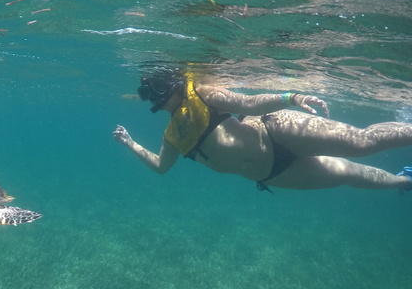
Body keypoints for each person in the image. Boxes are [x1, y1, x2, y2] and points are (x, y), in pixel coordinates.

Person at [113, 68, 412, 192]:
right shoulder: (172, 136)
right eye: (152, 93)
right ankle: (404, 181)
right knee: (350, 173)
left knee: (362, 142)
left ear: (175, 82)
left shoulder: (201, 92)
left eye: (162, 86)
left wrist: (290, 97)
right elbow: (161, 167)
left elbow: (249, 103)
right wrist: (130, 143)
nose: (159, 96)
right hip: (275, 173)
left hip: (276, 131)